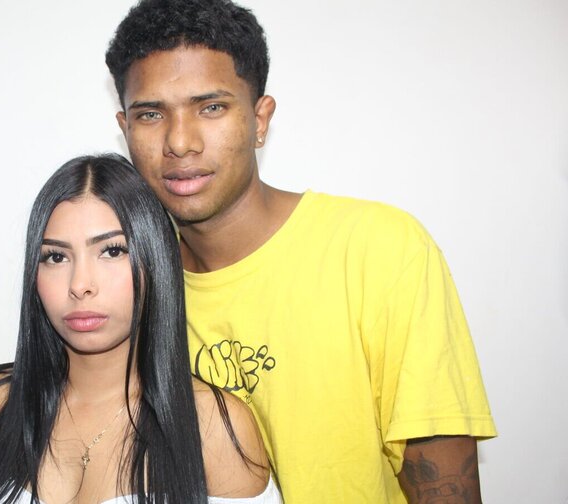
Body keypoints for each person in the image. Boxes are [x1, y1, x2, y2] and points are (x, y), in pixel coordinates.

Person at [105, 1, 497, 503]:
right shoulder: (129, 288)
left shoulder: (378, 249)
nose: (180, 142)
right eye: (151, 114)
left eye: (211, 107)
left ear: (260, 119)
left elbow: (445, 488)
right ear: (126, 128)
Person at [0, 154, 282, 503]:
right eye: (56, 256)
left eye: (112, 251)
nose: (80, 284)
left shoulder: (213, 429)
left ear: (155, 260)